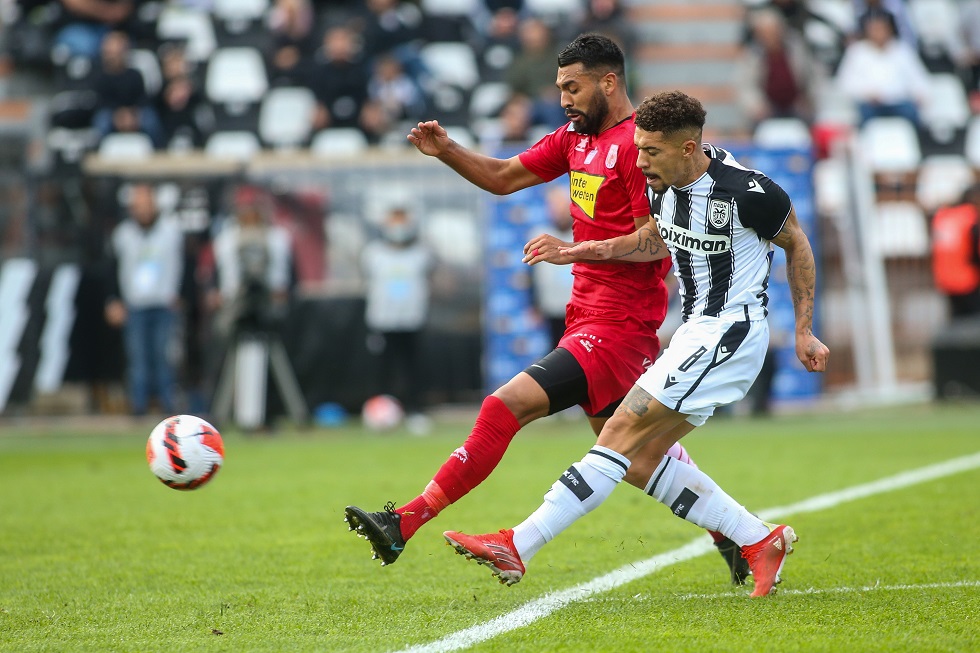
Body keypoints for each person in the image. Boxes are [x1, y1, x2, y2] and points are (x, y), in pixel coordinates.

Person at [345, 34, 751, 587]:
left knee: (504, 406)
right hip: (587, 317)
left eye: (573, 87)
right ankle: (737, 533)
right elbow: (502, 177)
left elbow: (657, 242)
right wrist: (449, 150)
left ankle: (406, 522)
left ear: (608, 81)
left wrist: (576, 250)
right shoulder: (574, 139)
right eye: (560, 87)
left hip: (619, 326)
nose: (563, 98)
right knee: (639, 458)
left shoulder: (640, 147)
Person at [442, 90, 830, 598]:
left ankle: (518, 544)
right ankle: (758, 538)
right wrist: (579, 251)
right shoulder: (661, 187)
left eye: (651, 151)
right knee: (643, 457)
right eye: (639, 147)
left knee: (619, 431)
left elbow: (797, 243)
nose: (640, 160)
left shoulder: (747, 192)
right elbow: (652, 241)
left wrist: (803, 329)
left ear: (688, 148)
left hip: (730, 332)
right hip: (696, 332)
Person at [105, 182, 183, 416]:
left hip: (164, 303)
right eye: (138, 205)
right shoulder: (123, 234)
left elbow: (184, 264)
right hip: (135, 304)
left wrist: (182, 294)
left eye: (146, 203)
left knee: (164, 356)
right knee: (138, 358)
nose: (143, 210)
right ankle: (138, 407)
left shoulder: (171, 231)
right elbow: (112, 268)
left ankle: (168, 406)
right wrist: (113, 300)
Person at [361, 205, 434, 420]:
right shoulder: (373, 253)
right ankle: (379, 409)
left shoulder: (421, 253)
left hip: (412, 319)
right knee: (382, 367)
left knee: (412, 366)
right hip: (382, 319)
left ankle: (414, 409)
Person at [834, 10, 931, 127]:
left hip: (899, 102)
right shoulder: (856, 52)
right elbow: (845, 83)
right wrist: (866, 93)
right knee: (863, 115)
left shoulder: (902, 50)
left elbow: (918, 78)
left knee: (912, 112)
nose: (878, 33)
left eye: (882, 28)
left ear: (890, 29)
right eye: (874, 29)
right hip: (870, 105)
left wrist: (920, 94)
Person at [931, 183, 980, 318]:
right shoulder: (970, 217)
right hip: (968, 280)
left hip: (945, 280)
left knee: (958, 321)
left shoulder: (943, 215)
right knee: (973, 323)